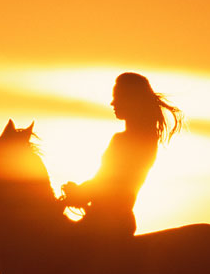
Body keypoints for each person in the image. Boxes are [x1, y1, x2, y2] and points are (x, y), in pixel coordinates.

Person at [62, 72, 183, 238]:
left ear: (131, 100)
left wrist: (78, 193)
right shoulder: (147, 139)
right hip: (116, 221)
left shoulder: (124, 140)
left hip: (104, 225)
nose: (112, 103)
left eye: (117, 97)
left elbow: (108, 183)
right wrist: (80, 192)